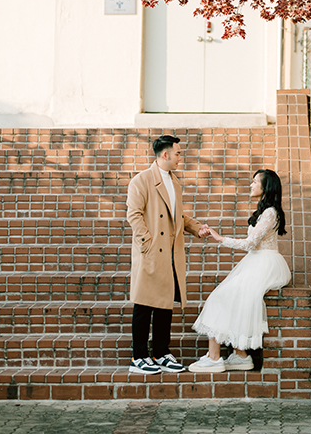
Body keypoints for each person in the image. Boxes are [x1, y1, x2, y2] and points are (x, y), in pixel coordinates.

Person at [188, 169, 292, 373]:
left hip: (264, 263)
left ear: (266, 187)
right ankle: (241, 356)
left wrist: (220, 239)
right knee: (231, 298)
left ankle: (215, 357)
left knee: (220, 297)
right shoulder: (266, 211)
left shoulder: (270, 212)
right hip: (257, 262)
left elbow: (251, 244)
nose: (251, 185)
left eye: (255, 182)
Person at [125, 134, 209, 374]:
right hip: (152, 251)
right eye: (178, 153)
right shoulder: (141, 181)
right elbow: (134, 214)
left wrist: (196, 228)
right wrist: (147, 244)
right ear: (166, 154)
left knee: (164, 304)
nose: (181, 157)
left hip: (171, 251)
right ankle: (138, 356)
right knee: (144, 304)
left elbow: (178, 217)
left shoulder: (174, 182)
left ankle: (160, 352)